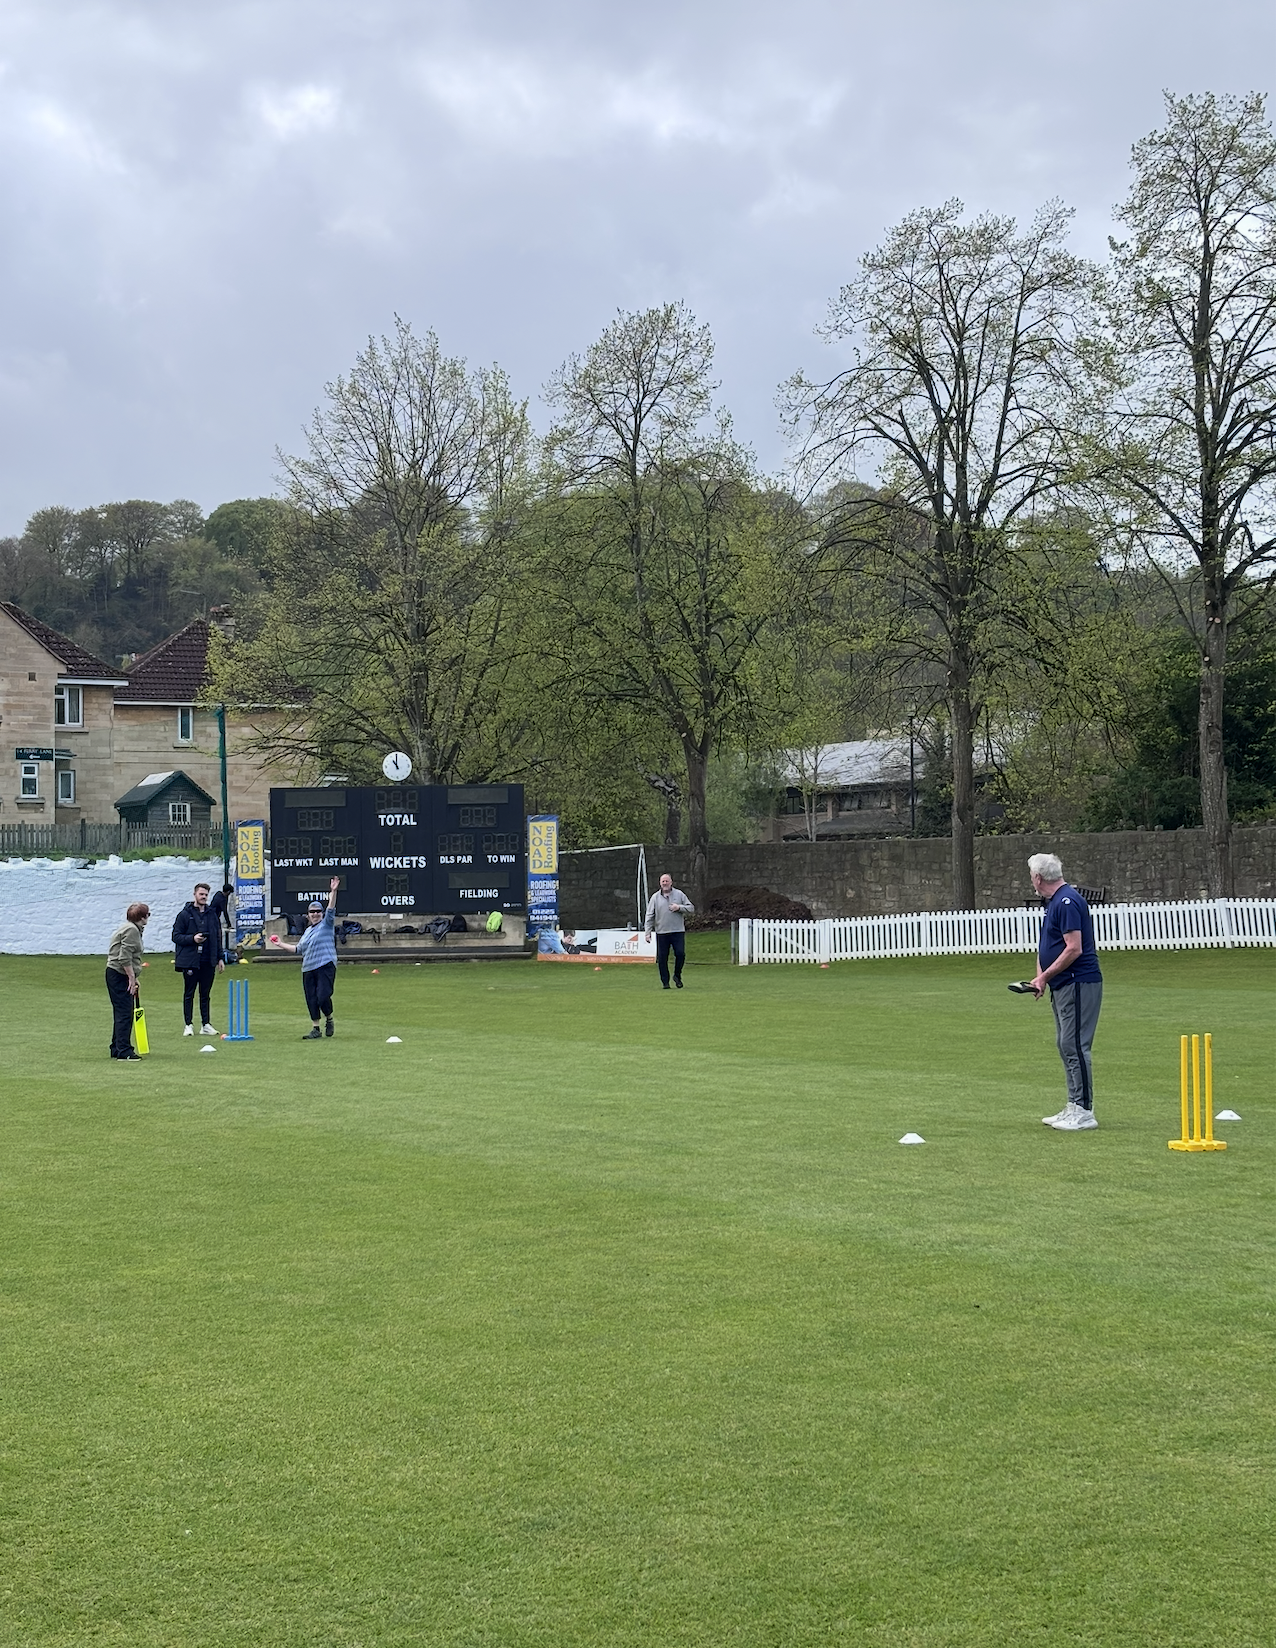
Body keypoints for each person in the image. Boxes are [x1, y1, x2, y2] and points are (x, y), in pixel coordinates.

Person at [1027, 853, 1103, 1132]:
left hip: (1078, 981)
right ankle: (1074, 1104)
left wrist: (1045, 975)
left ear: (1038, 878)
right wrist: (1041, 978)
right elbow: (1048, 944)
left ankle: (1084, 1110)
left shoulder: (1067, 901)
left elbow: (1074, 947)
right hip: (1062, 984)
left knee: (1075, 1044)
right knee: (1065, 1043)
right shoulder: (1054, 903)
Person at [268, 877, 340, 1039]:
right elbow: (298, 949)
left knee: (323, 996)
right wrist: (280, 943)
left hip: (325, 965)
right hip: (308, 968)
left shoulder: (326, 924)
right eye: (312, 912)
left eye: (317, 911)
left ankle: (329, 1018)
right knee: (311, 999)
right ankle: (316, 1028)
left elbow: (331, 908)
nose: (315, 914)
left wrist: (333, 891)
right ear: (307, 915)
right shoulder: (307, 932)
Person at [172, 881, 225, 1036]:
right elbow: (176, 936)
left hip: (208, 959)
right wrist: (192, 939)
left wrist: (220, 958)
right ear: (195, 894)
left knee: (205, 994)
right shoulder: (184, 914)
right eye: (201, 894)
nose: (204, 897)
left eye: (206, 895)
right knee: (189, 993)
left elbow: (217, 936)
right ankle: (188, 1024)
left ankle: (206, 1024)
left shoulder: (212, 914)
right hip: (190, 960)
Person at [106, 902, 150, 1060]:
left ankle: (116, 1047)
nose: (148, 918)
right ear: (142, 917)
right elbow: (124, 957)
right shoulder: (132, 930)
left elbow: (130, 957)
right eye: (147, 914)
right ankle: (124, 1051)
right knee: (125, 1012)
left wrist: (134, 977)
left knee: (121, 1011)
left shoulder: (132, 929)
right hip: (119, 974)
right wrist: (131, 978)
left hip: (118, 973)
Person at [644, 872, 695, 990]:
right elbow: (649, 915)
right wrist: (647, 932)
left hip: (678, 931)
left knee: (680, 954)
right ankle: (665, 982)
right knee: (662, 958)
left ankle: (677, 976)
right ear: (660, 883)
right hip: (662, 933)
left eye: (667, 881)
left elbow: (691, 908)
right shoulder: (655, 897)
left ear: (671, 882)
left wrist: (679, 907)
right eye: (663, 881)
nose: (665, 883)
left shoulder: (679, 894)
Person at [210, 882, 234, 954]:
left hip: (213, 916)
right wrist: (229, 924)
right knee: (217, 934)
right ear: (228, 892)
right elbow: (225, 911)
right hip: (213, 917)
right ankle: (218, 951)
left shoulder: (218, 894)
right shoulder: (222, 899)